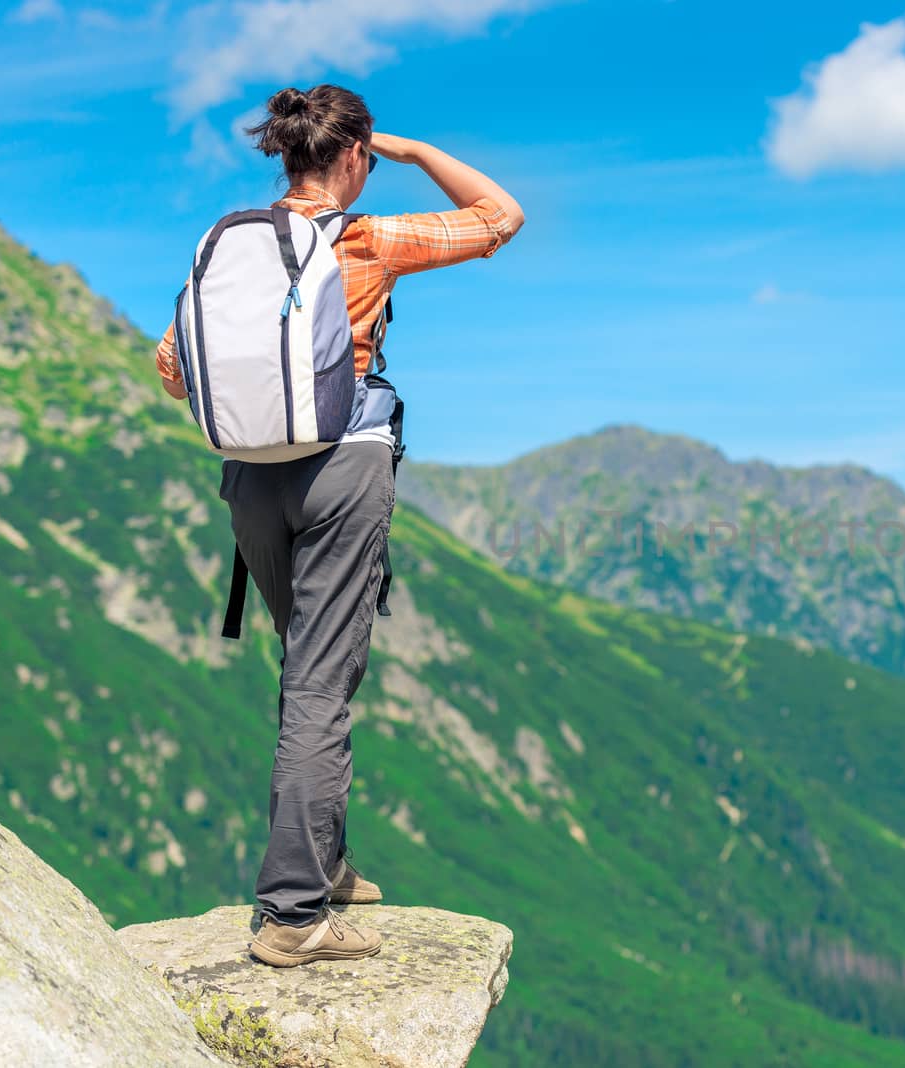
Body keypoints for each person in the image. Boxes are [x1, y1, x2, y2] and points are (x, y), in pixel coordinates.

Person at [153, 83, 524, 967]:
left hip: (250, 481)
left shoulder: (229, 245)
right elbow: (499, 217)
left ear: (285, 154)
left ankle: (326, 863)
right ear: (351, 153)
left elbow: (172, 368)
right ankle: (293, 916)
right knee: (323, 684)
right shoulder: (361, 236)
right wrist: (414, 150)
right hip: (340, 471)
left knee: (305, 671)